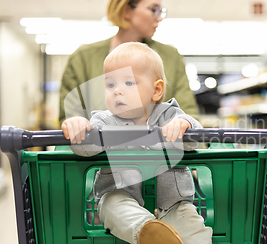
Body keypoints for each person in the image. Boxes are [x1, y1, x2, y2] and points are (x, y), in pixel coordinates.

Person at [61, 42, 212, 244]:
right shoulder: (103, 121)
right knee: (113, 207)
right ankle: (150, 233)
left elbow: (196, 139)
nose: (117, 91)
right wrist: (78, 127)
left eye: (129, 83)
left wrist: (184, 124)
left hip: (173, 203)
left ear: (156, 90)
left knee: (193, 226)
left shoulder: (170, 115)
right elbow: (85, 149)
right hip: (120, 196)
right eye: (110, 84)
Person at [59, 0, 199, 124]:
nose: (160, 18)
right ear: (126, 10)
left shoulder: (171, 57)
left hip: (158, 151)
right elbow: (69, 118)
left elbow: (188, 115)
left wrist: (183, 126)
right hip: (99, 152)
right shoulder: (83, 58)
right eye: (154, 9)